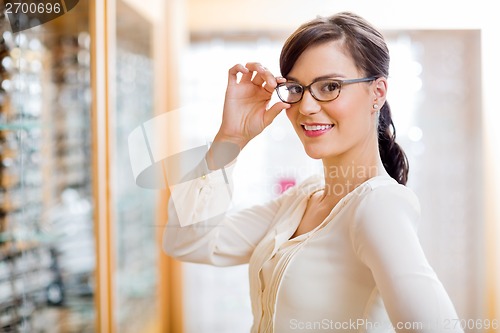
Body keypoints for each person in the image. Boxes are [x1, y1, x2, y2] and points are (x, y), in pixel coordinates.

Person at [164, 12, 463, 333]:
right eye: (296, 88)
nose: (306, 107)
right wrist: (230, 139)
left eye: (330, 86)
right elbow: (187, 241)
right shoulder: (304, 198)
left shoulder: (378, 205)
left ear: (377, 93)